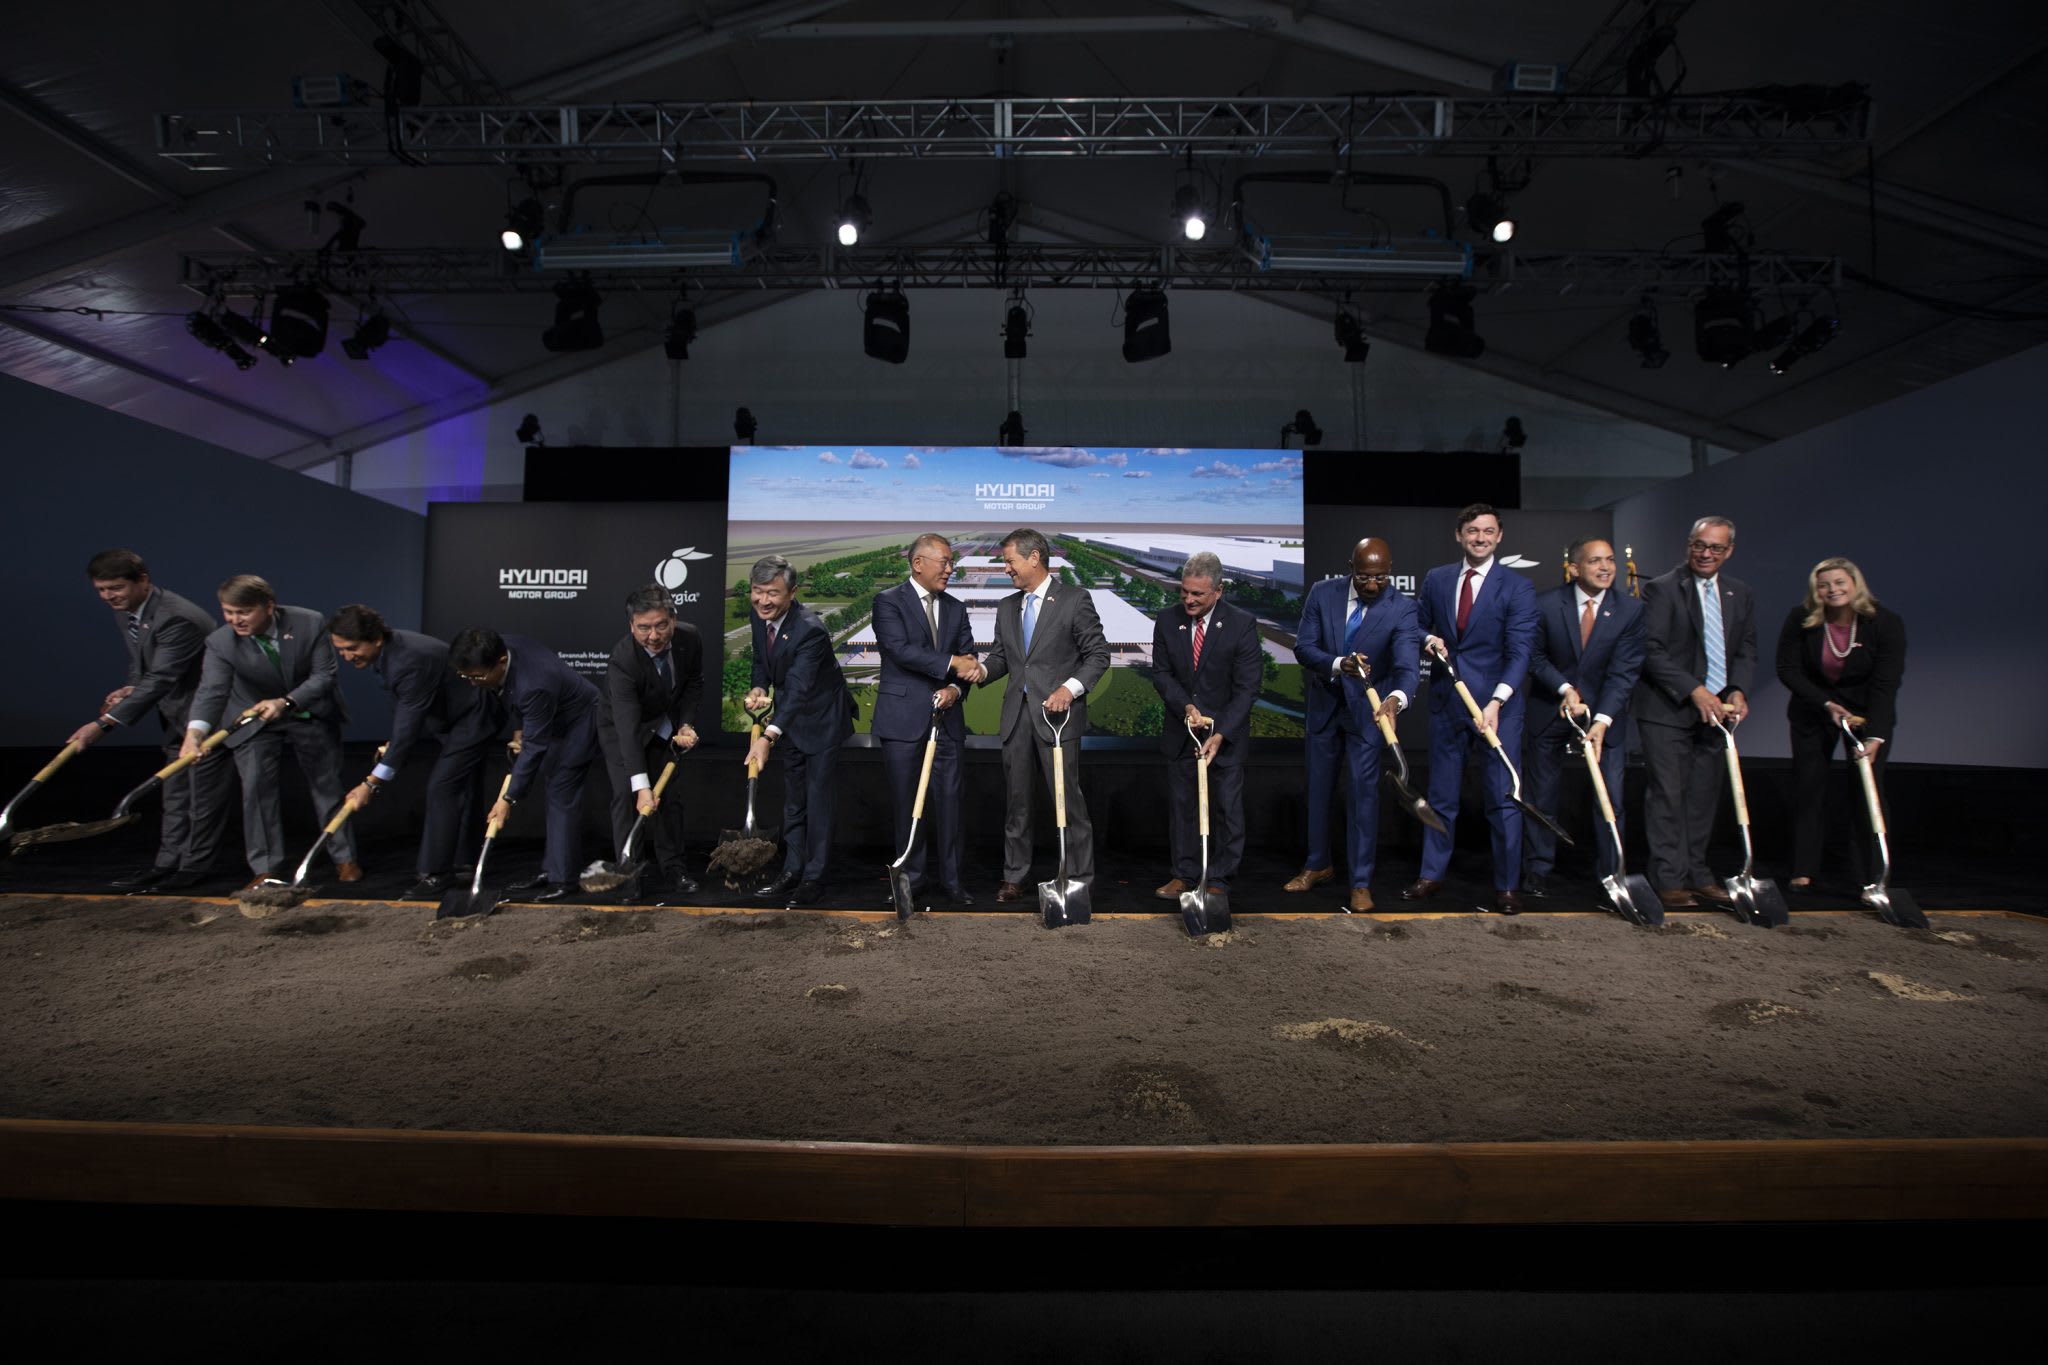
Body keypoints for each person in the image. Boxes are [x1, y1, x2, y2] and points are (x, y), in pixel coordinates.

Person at [69, 549, 233, 891]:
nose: (108, 596)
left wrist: (104, 724)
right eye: (101, 590)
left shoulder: (177, 617)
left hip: (207, 717)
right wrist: (130, 687)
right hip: (175, 716)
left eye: (116, 588)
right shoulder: (130, 610)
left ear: (142, 580)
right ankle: (166, 864)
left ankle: (192, 868)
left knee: (202, 798)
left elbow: (162, 678)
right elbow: (144, 665)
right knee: (174, 795)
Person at [182, 575, 358, 888]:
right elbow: (211, 691)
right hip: (253, 716)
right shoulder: (220, 642)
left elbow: (324, 676)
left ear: (269, 607)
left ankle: (344, 858)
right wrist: (194, 735)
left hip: (307, 709)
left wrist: (285, 702)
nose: (235, 619)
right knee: (255, 787)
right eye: (228, 611)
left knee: (326, 786)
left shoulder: (309, 623)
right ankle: (266, 869)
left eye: (244, 612)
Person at [1407, 504, 1539, 913]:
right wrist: (1427, 639)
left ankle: (1507, 886)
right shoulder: (1438, 578)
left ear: (1499, 536)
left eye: (1488, 531)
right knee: (1441, 797)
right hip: (1448, 703)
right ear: (1459, 535)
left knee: (1502, 799)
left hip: (1498, 710)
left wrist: (1496, 701)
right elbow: (1416, 625)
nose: (1480, 538)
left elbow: (1520, 652)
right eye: (1472, 531)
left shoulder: (1517, 587)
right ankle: (1431, 875)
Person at [329, 604, 506, 900]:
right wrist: (394, 742)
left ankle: (435, 875)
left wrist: (371, 783)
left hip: (475, 717)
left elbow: (408, 727)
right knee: (462, 786)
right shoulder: (390, 651)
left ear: (376, 639)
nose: (345, 656)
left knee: (442, 787)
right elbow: (407, 709)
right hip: (451, 718)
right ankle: (464, 860)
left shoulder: (407, 660)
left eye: (351, 648)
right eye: (340, 650)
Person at [975, 528, 1110, 903]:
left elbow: (1098, 654)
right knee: (1017, 803)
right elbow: (1003, 658)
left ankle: (1078, 878)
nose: (1006, 569)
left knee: (1068, 802)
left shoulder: (1074, 600)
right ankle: (1014, 876)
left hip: (1058, 722)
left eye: (1010, 561)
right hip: (1016, 719)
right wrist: (981, 671)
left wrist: (1069, 689)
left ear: (1034, 558)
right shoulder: (1007, 606)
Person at [1287, 537, 1420, 912]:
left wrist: (1396, 699)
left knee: (1363, 796)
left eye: (1380, 577)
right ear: (1350, 569)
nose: (1373, 585)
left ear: (1389, 571)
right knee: (1318, 791)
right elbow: (1304, 648)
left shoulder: (1402, 609)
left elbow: (1408, 667)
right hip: (1325, 707)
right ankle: (1318, 864)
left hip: (1368, 713)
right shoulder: (1322, 593)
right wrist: (1337, 664)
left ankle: (1360, 882)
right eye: (1364, 577)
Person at [1632, 516, 1757, 908]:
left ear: (1729, 551)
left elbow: (1746, 648)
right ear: (1689, 545)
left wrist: (1736, 689)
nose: (1706, 554)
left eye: (1715, 548)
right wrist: (1694, 690)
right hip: (1667, 709)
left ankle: (1698, 874)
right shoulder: (1662, 588)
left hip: (1718, 714)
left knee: (1703, 797)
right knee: (1668, 795)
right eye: (1699, 545)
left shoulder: (1739, 592)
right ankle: (1668, 878)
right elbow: (1651, 650)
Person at [1521, 537, 1646, 894]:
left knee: (1610, 799)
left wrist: (1602, 719)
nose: (1606, 567)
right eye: (1595, 561)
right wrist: (1564, 689)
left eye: (1610, 560)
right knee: (1542, 796)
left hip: (1605, 716)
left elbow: (1624, 671)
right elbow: (1534, 657)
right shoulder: (1545, 603)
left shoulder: (1630, 610)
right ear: (1575, 568)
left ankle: (1612, 874)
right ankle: (1537, 870)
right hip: (1551, 709)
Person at [1775, 557, 1907, 895]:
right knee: (1809, 787)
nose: (1832, 590)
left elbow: (1886, 683)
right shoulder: (1801, 618)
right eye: (1824, 585)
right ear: (1815, 590)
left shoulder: (1885, 622)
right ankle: (1803, 869)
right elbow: (1788, 669)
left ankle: (1872, 877)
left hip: (1866, 713)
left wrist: (1876, 734)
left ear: (1855, 584)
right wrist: (1826, 703)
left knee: (1867, 789)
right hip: (1814, 708)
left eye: (1839, 582)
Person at [449, 627, 601, 902]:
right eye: (465, 676)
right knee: (554, 789)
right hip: (549, 717)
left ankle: (563, 879)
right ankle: (553, 869)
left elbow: (534, 747)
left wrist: (507, 799)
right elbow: (515, 699)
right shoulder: (500, 646)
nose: (472, 683)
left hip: (580, 719)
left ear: (501, 662)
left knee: (562, 790)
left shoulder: (535, 683)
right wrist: (520, 729)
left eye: (477, 677)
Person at [1150, 551, 1267, 902]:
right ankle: (1183, 874)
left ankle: (1220, 878)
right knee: (1182, 807)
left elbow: (1247, 688)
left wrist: (1220, 732)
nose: (1188, 599)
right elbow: (1162, 673)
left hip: (1225, 736)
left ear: (1218, 591)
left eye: (1197, 594)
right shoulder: (1167, 620)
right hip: (1182, 731)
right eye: (1184, 591)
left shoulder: (1241, 624)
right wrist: (1186, 707)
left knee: (1228, 809)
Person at [742, 555, 855, 905]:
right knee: (793, 802)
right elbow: (761, 659)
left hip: (821, 719)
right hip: (789, 719)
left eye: (772, 593)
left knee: (818, 801)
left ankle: (814, 877)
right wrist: (759, 687)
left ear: (792, 593)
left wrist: (767, 737)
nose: (763, 600)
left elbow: (800, 688)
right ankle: (792, 869)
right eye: (757, 591)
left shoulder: (810, 630)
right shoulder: (758, 616)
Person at [871, 534, 977, 906]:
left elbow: (969, 658)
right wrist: (951, 663)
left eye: (952, 563)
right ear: (918, 563)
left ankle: (953, 881)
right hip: (902, 721)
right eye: (944, 562)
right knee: (906, 805)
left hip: (948, 722)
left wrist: (956, 690)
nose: (950, 569)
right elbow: (899, 650)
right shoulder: (888, 602)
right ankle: (911, 880)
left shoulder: (956, 608)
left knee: (951, 804)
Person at [597, 584, 704, 899]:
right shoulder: (623, 661)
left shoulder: (690, 638)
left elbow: (694, 683)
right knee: (627, 795)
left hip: (663, 723)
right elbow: (628, 728)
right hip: (621, 729)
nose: (653, 636)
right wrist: (642, 786)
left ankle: (674, 868)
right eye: (644, 628)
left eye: (661, 625)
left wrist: (685, 724)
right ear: (631, 625)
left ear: (674, 619)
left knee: (669, 795)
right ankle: (629, 873)